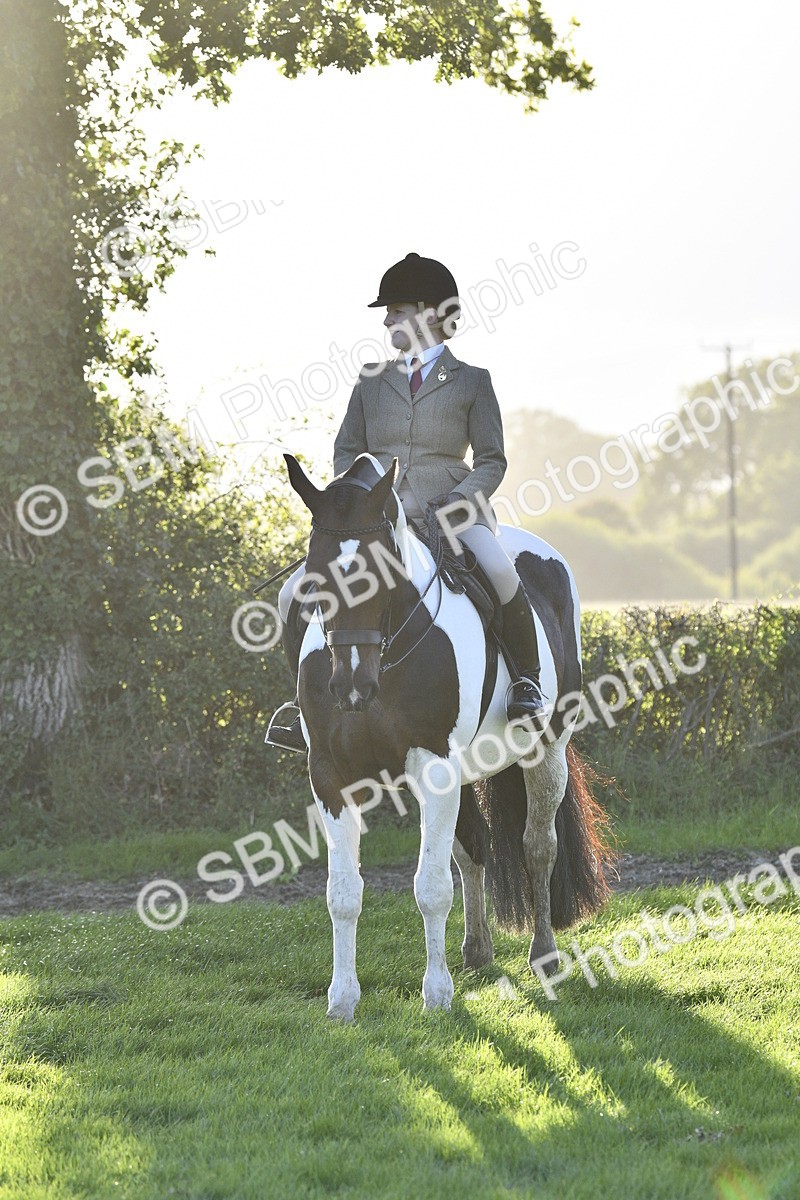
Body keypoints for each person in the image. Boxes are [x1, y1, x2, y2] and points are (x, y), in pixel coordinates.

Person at [267, 252, 548, 752]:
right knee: (292, 594)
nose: (387, 319)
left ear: (429, 313)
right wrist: (359, 504)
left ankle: (526, 682)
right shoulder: (371, 380)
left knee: (501, 571)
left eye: (396, 309)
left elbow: (492, 460)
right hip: (376, 522)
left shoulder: (471, 381)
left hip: (452, 517)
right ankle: (298, 706)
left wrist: (458, 501)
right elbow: (346, 452)